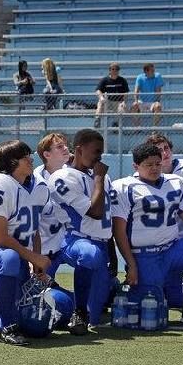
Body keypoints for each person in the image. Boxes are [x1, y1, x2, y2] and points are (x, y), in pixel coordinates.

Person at [112, 143, 183, 328]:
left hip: (172, 249)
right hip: (144, 256)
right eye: (149, 165)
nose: (154, 168)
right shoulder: (123, 187)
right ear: (136, 166)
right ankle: (121, 289)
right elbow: (119, 231)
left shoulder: (176, 182)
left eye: (157, 164)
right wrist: (131, 264)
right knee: (153, 309)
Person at [0, 140, 52, 345]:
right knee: (9, 259)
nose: (31, 159)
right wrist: (33, 257)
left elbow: (33, 230)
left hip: (21, 259)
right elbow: (0, 238)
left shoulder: (34, 186)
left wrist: (36, 262)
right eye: (26, 157)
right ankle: (5, 326)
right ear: (11, 162)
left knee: (58, 306)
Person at [48, 129, 116, 333]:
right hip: (75, 240)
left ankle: (71, 313)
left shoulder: (101, 177)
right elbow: (94, 212)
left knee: (95, 316)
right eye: (96, 151)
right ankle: (77, 311)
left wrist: (112, 253)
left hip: (102, 243)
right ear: (79, 150)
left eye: (101, 152)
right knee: (89, 254)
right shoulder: (63, 176)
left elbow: (107, 220)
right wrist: (99, 179)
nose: (99, 157)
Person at [34, 133, 71, 263]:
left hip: (70, 241)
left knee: (88, 256)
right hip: (45, 246)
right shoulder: (35, 182)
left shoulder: (75, 174)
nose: (66, 148)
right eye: (60, 146)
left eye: (65, 145)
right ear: (47, 154)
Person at [94, 62, 129, 128]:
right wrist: (101, 97)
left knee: (122, 108)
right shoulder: (104, 80)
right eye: (113, 69)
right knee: (100, 103)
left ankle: (116, 123)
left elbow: (126, 92)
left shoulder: (123, 80)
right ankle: (97, 120)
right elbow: (98, 90)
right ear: (109, 70)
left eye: (116, 69)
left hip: (118, 102)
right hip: (107, 101)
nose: (114, 71)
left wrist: (124, 102)